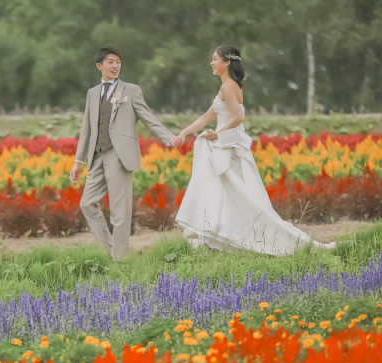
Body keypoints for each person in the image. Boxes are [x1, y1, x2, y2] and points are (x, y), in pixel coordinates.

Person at [171, 45, 336, 254]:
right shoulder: (230, 86)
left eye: (214, 59)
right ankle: (221, 238)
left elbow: (238, 118)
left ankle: (232, 236)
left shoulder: (228, 87)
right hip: (228, 146)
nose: (211, 63)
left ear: (226, 62)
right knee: (230, 195)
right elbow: (206, 117)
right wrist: (183, 133)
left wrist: (217, 134)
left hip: (227, 147)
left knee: (236, 196)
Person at [70, 45, 179, 262]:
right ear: (99, 66)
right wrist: (78, 161)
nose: (115, 66)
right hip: (96, 155)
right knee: (87, 203)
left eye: (118, 62)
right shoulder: (92, 93)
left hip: (119, 155)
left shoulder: (131, 90)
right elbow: (87, 129)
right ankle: (109, 251)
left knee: (120, 212)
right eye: (110, 62)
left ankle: (119, 261)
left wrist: (169, 137)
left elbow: (148, 117)